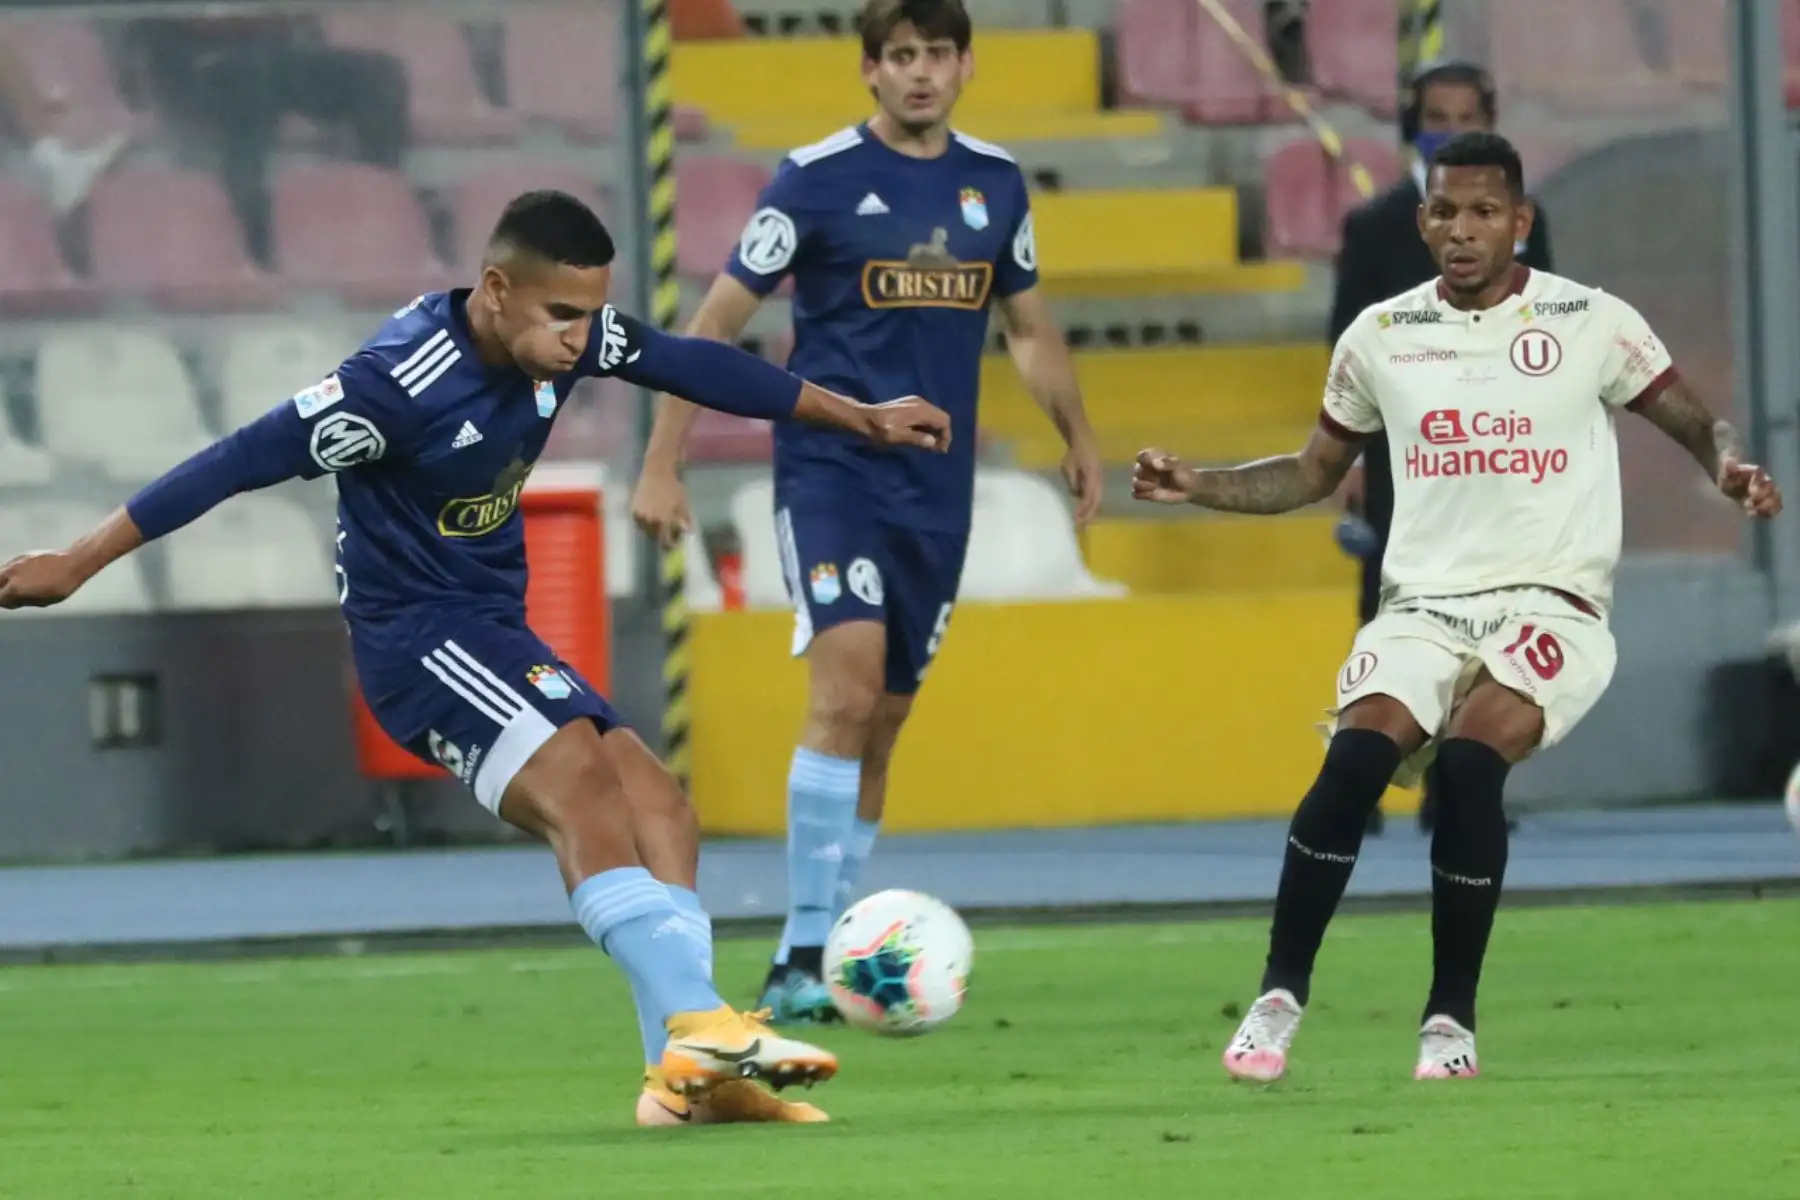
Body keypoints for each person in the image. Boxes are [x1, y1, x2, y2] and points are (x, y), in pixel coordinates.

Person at [0, 190, 953, 1127]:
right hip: (415, 640)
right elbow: (232, 461)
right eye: (563, 316)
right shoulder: (391, 386)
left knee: (660, 804)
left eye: (591, 315)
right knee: (582, 781)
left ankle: (686, 1077)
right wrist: (77, 562)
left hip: (492, 626)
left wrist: (859, 416)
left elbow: (692, 365)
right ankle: (700, 1027)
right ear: (495, 289)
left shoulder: (568, 338)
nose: (583, 338)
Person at [1131, 133, 1780, 1082]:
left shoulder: (1591, 320)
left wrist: (1724, 465)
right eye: (1445, 212)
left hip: (1550, 605)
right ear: (1422, 219)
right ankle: (1277, 996)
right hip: (1423, 605)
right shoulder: (1380, 336)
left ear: (1521, 221)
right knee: (1355, 757)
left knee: (1470, 769)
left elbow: (1690, 417)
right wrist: (1201, 484)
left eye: (1485, 212)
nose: (1463, 230)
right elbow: (1313, 472)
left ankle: (1450, 1021)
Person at [631, 0, 1100, 1023]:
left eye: (937, 55)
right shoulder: (815, 180)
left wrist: (1077, 435)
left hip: (937, 492)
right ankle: (798, 956)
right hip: (831, 472)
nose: (920, 73)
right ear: (870, 71)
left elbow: (1026, 330)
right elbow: (712, 327)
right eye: (900, 57)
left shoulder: (997, 184)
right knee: (842, 692)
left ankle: (834, 951)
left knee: (882, 724)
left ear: (966, 66)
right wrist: (662, 462)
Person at [1332, 58, 1555, 836]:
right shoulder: (1371, 227)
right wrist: (1355, 457)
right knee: (1387, 622)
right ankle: (1355, 782)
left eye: (1464, 118)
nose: (1448, 130)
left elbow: (1550, 339)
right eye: (1436, 116)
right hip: (1403, 460)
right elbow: (1347, 354)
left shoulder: (1530, 224)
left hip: (1499, 459)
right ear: (1411, 124)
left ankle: (1458, 789)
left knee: (1496, 625)